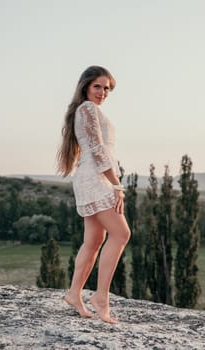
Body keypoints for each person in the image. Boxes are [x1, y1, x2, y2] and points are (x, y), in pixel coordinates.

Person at [56, 66, 130, 324]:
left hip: (92, 176)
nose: (103, 92)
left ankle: (74, 293)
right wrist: (117, 185)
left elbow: (95, 150)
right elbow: (98, 150)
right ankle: (101, 297)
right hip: (97, 178)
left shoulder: (86, 110)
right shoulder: (87, 109)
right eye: (98, 86)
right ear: (86, 86)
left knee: (94, 240)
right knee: (121, 234)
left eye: (107, 88)